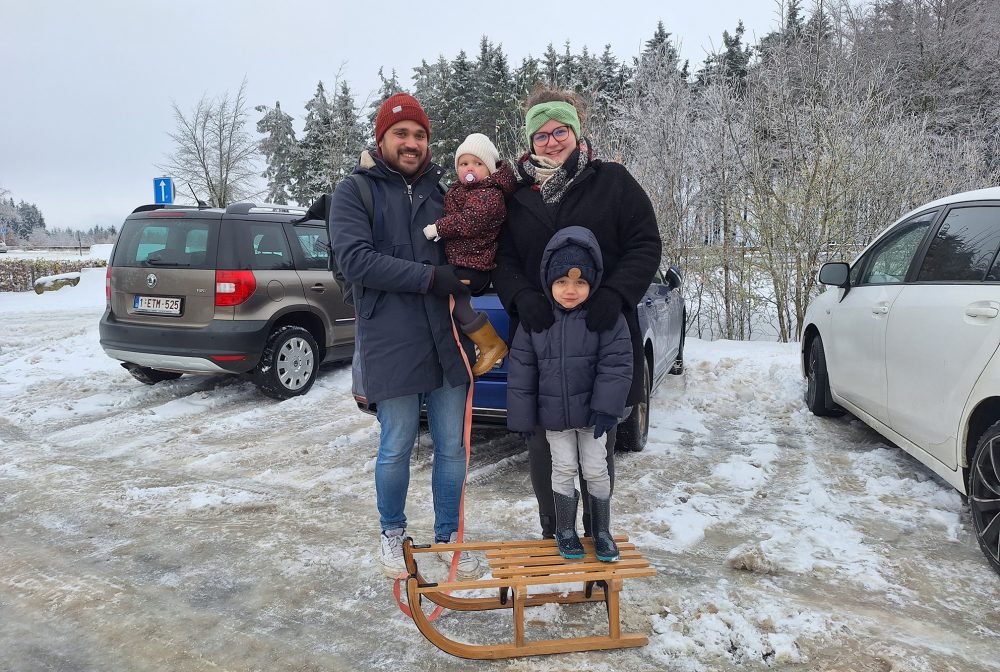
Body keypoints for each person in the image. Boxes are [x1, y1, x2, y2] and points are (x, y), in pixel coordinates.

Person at [492, 88, 661, 539]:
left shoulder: (613, 182)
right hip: (543, 340)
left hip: (602, 335)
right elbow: (502, 259)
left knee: (595, 448)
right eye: (541, 135)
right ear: (530, 141)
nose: (551, 142)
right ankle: (556, 534)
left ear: (576, 130)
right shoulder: (517, 196)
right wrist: (521, 298)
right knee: (547, 453)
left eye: (559, 131)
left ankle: (595, 535)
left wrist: (617, 294)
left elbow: (645, 244)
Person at [328, 93, 481, 579]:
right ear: (382, 138)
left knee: (452, 446)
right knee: (396, 443)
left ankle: (447, 539)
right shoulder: (355, 192)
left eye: (419, 134)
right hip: (389, 338)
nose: (411, 142)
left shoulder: (447, 192)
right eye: (402, 133)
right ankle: (392, 534)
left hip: (445, 336)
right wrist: (431, 278)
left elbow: (479, 239)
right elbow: (354, 260)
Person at [507, 226, 632, 561]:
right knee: (561, 469)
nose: (570, 290)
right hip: (555, 418)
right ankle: (565, 530)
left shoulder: (605, 318)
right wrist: (521, 415)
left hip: (593, 418)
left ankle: (602, 531)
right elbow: (521, 370)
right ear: (549, 281)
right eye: (562, 282)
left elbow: (617, 364)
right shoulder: (537, 319)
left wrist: (608, 408)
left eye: (580, 282)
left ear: (593, 283)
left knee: (595, 470)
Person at [422, 133, 517, 377]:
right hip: (463, 259)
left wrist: (438, 228)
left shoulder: (489, 194)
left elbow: (470, 222)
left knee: (451, 297)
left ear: (489, 168)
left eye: (477, 163)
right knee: (456, 303)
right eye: (464, 164)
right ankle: (483, 344)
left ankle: (491, 344)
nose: (469, 169)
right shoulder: (462, 191)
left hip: (475, 263)